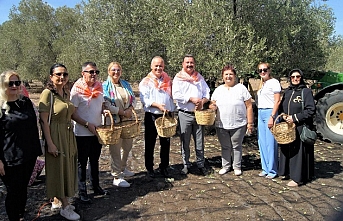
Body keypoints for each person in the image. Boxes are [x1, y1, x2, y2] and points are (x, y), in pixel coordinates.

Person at [39, 64, 80, 220]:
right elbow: (43, 121)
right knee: (58, 168)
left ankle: (58, 200)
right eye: (58, 74)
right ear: (51, 76)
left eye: (64, 74)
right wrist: (49, 143)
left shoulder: (66, 92)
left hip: (67, 133)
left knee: (66, 167)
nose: (62, 77)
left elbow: (71, 114)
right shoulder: (46, 94)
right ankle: (65, 206)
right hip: (55, 134)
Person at [0, 70, 42, 221]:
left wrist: (37, 149)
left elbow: (32, 127)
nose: (14, 85)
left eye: (17, 82)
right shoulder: (1, 107)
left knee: (23, 188)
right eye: (10, 83)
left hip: (28, 155)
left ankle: (20, 215)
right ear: (3, 85)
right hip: (9, 158)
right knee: (13, 191)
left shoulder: (25, 102)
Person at [70, 61, 109, 203]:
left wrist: (104, 110)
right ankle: (82, 191)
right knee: (82, 162)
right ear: (83, 73)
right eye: (91, 72)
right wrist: (87, 124)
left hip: (97, 131)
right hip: (82, 133)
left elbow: (101, 104)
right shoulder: (76, 91)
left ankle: (96, 186)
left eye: (96, 72)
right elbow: (73, 114)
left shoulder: (99, 88)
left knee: (95, 159)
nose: (94, 75)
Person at [209, 64, 254, 176]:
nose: (228, 76)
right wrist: (212, 107)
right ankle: (226, 166)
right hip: (222, 124)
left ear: (235, 76)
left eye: (231, 74)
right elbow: (212, 104)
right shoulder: (218, 90)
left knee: (236, 146)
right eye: (226, 74)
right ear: (222, 76)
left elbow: (249, 106)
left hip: (238, 124)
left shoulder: (241, 88)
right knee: (225, 146)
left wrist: (250, 123)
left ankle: (237, 166)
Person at [172, 54, 211, 176]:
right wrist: (191, 99)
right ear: (183, 64)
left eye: (191, 63)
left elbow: (207, 92)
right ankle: (186, 164)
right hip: (184, 114)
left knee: (199, 140)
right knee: (185, 141)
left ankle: (200, 164)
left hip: (199, 114)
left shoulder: (199, 78)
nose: (189, 65)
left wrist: (203, 101)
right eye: (187, 63)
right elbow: (176, 95)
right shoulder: (178, 78)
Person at [139, 56, 175, 178]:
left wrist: (171, 110)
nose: (158, 68)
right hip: (152, 116)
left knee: (165, 143)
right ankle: (149, 168)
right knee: (150, 143)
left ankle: (164, 166)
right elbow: (144, 99)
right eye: (156, 66)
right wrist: (158, 106)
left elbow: (170, 97)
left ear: (163, 66)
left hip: (166, 115)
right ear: (151, 66)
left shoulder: (167, 80)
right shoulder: (146, 82)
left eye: (161, 66)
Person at [278, 69, 315, 187]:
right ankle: (287, 172)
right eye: (292, 77)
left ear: (301, 77)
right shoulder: (287, 92)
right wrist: (283, 116)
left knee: (298, 153)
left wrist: (295, 118)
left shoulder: (306, 92)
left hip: (300, 126)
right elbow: (282, 108)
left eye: (297, 76)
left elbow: (311, 110)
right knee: (287, 150)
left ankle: (297, 178)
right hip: (288, 128)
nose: (295, 79)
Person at [103, 62, 136, 187]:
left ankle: (123, 168)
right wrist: (121, 112)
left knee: (127, 146)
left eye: (118, 70)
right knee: (115, 148)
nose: (116, 72)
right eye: (113, 70)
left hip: (128, 120)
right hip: (115, 121)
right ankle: (116, 176)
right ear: (108, 71)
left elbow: (133, 99)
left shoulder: (126, 84)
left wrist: (129, 110)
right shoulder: (105, 86)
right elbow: (106, 104)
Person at [256, 62, 281, 179]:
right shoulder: (263, 84)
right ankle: (265, 168)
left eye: (264, 70)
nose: (262, 72)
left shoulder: (274, 82)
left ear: (269, 70)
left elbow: (277, 101)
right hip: (260, 112)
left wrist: (272, 116)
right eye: (260, 70)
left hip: (270, 112)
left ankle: (272, 169)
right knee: (262, 142)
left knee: (270, 143)